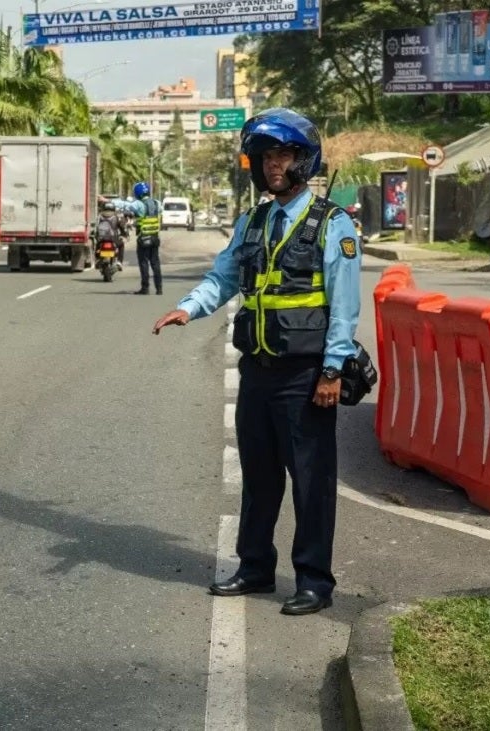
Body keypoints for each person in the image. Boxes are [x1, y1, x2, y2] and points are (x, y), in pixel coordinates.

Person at [151, 107, 362, 616]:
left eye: (283, 154)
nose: (273, 165)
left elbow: (345, 305)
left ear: (304, 159)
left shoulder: (331, 224)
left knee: (311, 484)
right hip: (258, 372)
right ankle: (254, 568)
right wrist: (188, 308)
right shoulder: (253, 221)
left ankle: (313, 581)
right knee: (259, 478)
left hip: (306, 375)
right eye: (266, 157)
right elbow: (223, 278)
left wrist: (332, 370)